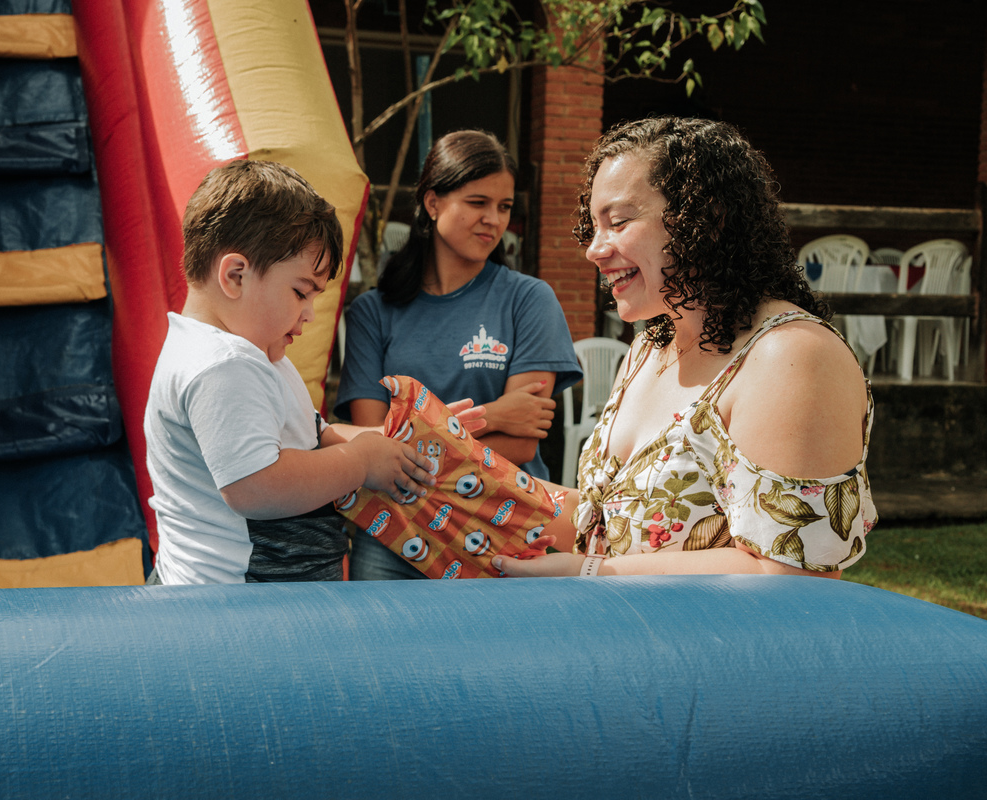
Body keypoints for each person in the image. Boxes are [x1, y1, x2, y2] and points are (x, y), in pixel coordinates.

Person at [493, 117, 877, 580]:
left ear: (705, 218)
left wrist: (591, 572)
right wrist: (464, 474)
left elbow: (791, 575)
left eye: (618, 222)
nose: (594, 249)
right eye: (593, 226)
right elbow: (611, 521)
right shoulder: (647, 349)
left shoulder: (792, 357)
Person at [144, 159, 461, 585]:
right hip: (236, 603)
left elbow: (314, 437)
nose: (309, 313)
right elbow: (255, 485)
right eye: (300, 292)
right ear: (235, 276)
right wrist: (361, 462)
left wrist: (404, 441)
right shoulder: (223, 365)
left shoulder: (258, 355)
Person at [335, 129, 583, 581]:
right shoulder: (374, 312)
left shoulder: (529, 300)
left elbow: (523, 442)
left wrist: (414, 438)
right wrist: (495, 414)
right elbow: (375, 443)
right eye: (477, 202)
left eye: (504, 207)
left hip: (504, 524)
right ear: (433, 203)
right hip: (395, 528)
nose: (493, 220)